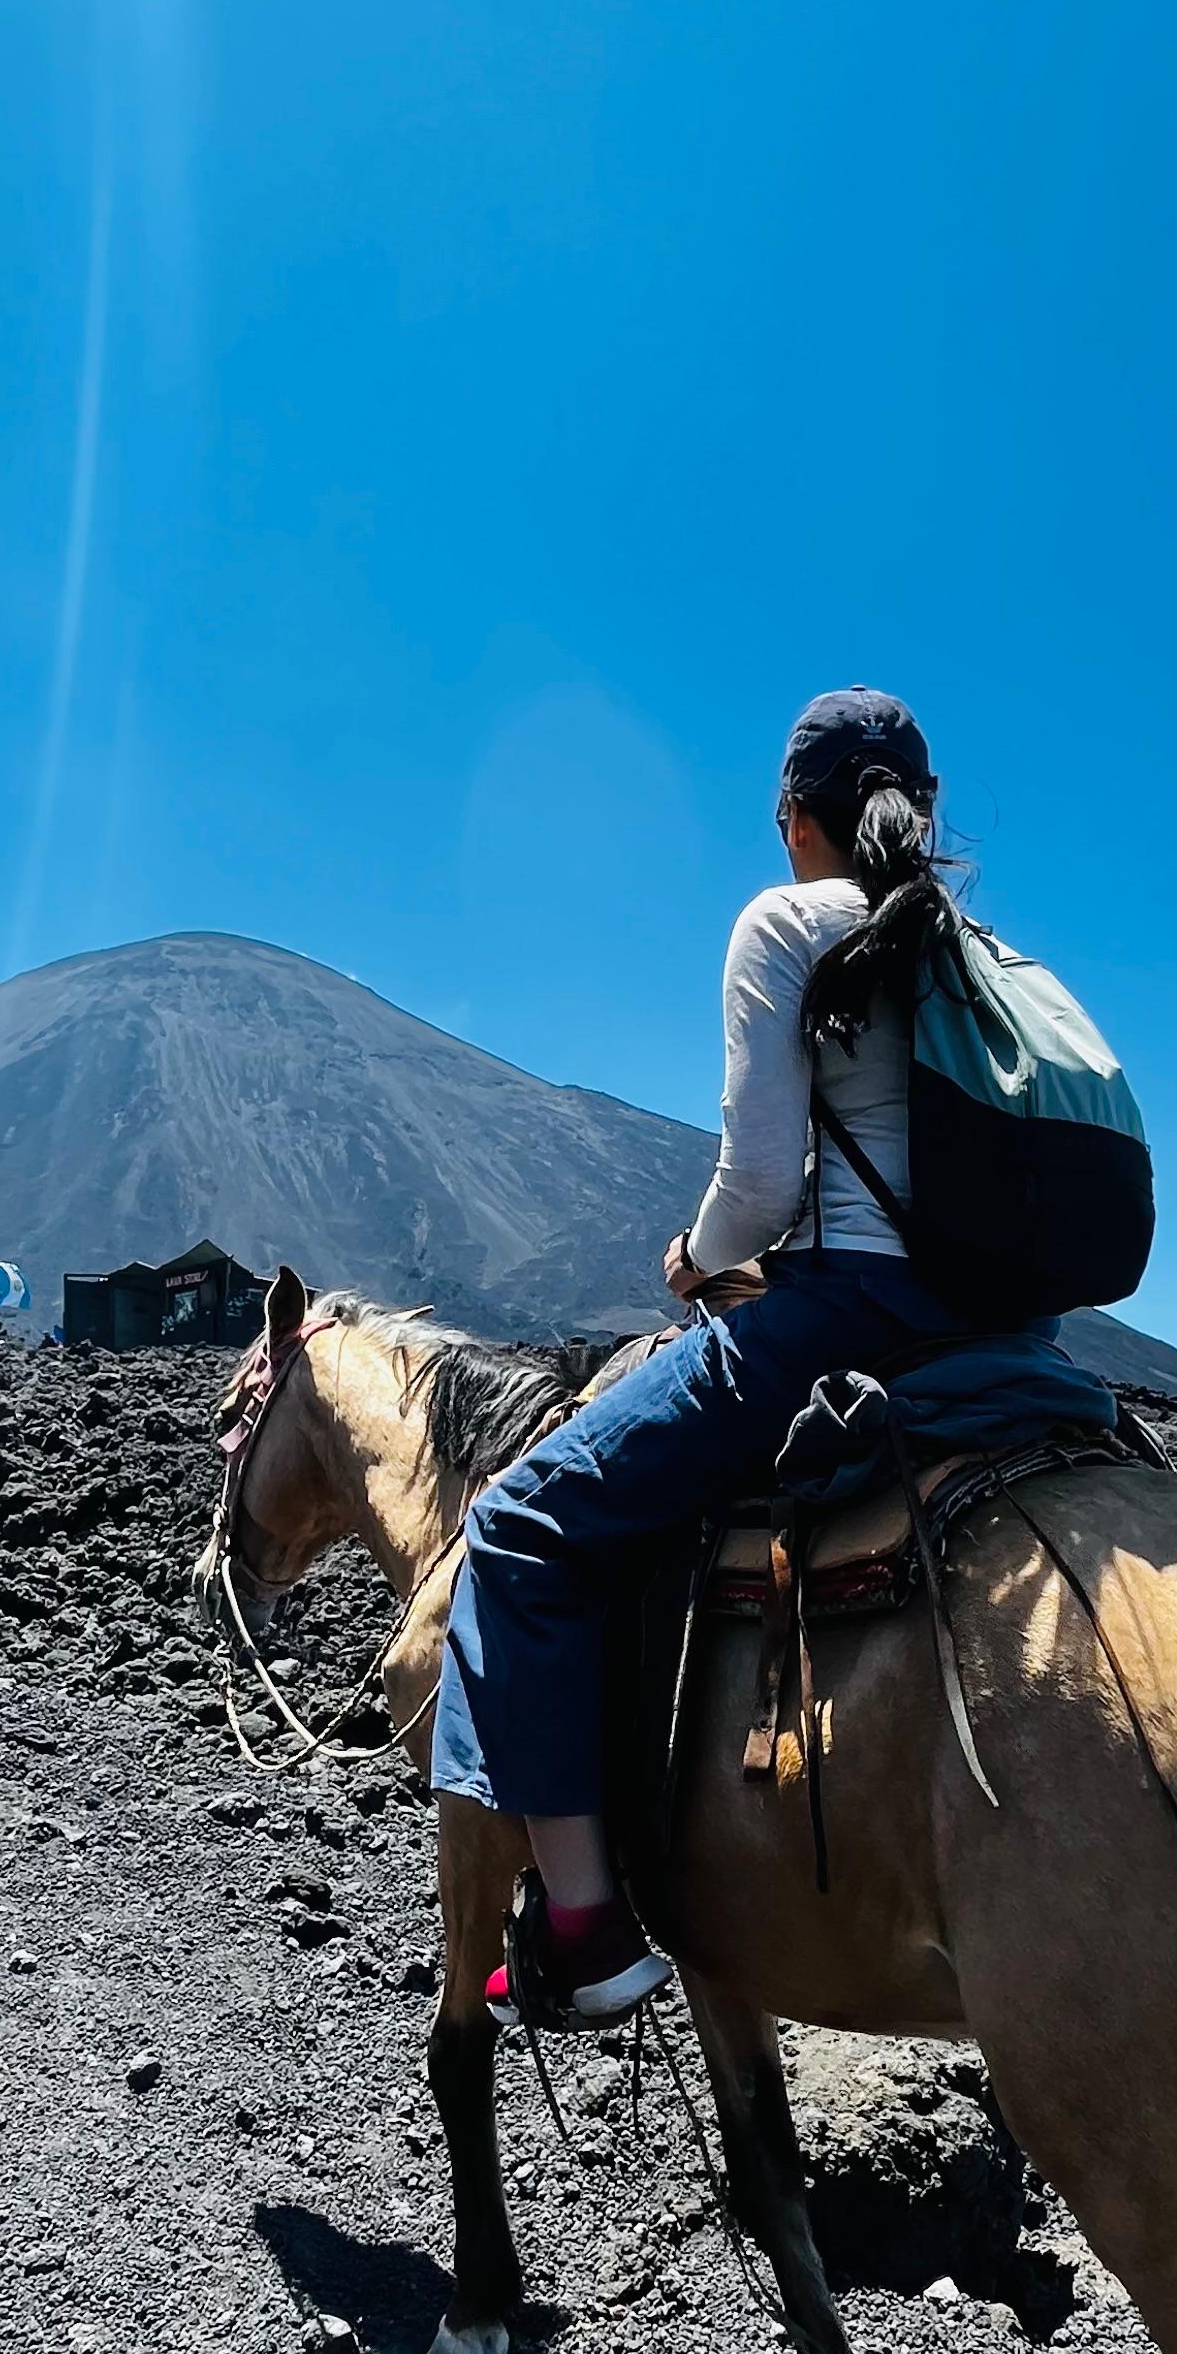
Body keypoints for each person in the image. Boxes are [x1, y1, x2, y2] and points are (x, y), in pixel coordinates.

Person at [431, 685, 976, 2027]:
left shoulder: (787, 923)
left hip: (842, 1315)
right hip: (998, 1333)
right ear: (925, 811)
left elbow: (763, 1181)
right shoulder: (978, 953)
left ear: (797, 821)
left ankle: (588, 1926)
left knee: (515, 1537)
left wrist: (691, 1256)